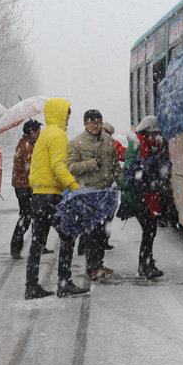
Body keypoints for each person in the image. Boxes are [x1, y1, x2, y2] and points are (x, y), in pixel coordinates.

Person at [25, 98, 89, 299]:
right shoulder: (58, 134)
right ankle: (64, 283)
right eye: (68, 113)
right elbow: (58, 167)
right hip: (50, 195)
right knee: (68, 235)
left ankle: (31, 286)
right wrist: (75, 187)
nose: (69, 118)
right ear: (61, 113)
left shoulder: (44, 134)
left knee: (38, 241)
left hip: (37, 195)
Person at [68, 109, 123, 281]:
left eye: (99, 122)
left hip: (105, 191)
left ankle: (99, 264)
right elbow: (71, 167)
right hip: (89, 192)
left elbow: (115, 165)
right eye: (93, 123)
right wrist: (93, 163)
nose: (97, 126)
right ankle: (92, 267)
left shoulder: (108, 140)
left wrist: (123, 182)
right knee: (91, 232)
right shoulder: (76, 143)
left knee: (101, 232)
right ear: (85, 123)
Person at [118, 115, 165, 279]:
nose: (155, 136)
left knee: (151, 230)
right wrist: (146, 168)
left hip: (149, 193)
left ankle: (145, 263)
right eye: (152, 133)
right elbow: (130, 168)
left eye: (157, 133)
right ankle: (146, 265)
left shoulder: (155, 145)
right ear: (145, 132)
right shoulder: (136, 144)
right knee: (149, 229)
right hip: (137, 195)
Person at [10, 119, 47, 260]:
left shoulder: (30, 143)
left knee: (37, 216)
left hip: (27, 185)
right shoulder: (26, 146)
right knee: (26, 217)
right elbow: (34, 165)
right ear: (32, 132)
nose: (40, 133)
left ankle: (39, 245)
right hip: (24, 186)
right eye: (38, 131)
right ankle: (16, 248)